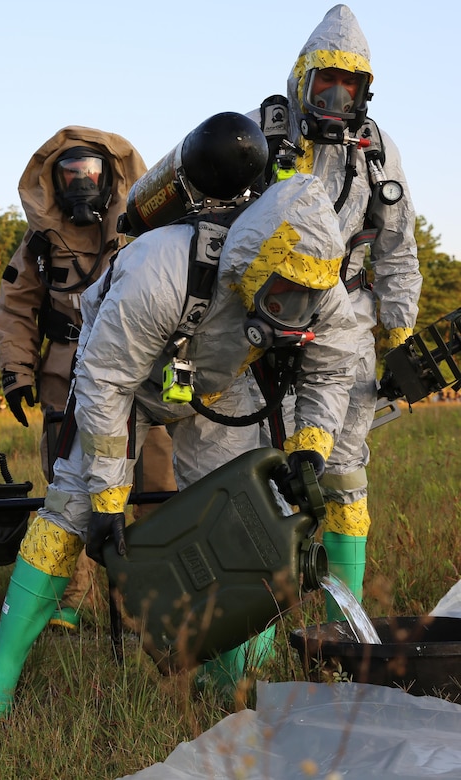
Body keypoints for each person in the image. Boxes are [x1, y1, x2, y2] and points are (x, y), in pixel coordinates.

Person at [0, 111, 360, 722]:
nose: (298, 310)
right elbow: (102, 388)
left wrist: (309, 446)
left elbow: (331, 370)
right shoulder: (159, 268)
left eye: (309, 297)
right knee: (67, 507)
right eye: (284, 293)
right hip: (131, 380)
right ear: (257, 262)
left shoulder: (315, 282)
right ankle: (0, 672)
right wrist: (106, 499)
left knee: (239, 512)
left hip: (221, 384)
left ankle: (230, 674)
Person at [249, 4, 422, 619]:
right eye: (328, 80)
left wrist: (400, 338)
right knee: (264, 473)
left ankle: (343, 629)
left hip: (348, 323)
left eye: (352, 84)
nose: (338, 94)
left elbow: (398, 251)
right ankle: (252, 634)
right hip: (262, 325)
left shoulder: (377, 152)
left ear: (365, 90)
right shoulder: (259, 135)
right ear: (304, 77)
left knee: (345, 471)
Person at [0, 126, 177, 628]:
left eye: (90, 173)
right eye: (70, 174)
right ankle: (70, 596)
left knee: (155, 486)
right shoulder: (40, 243)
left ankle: (147, 596)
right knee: (66, 489)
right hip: (65, 378)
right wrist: (16, 371)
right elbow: (14, 306)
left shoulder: (147, 231)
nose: (81, 184)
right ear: (53, 181)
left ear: (110, 177)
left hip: (140, 375)